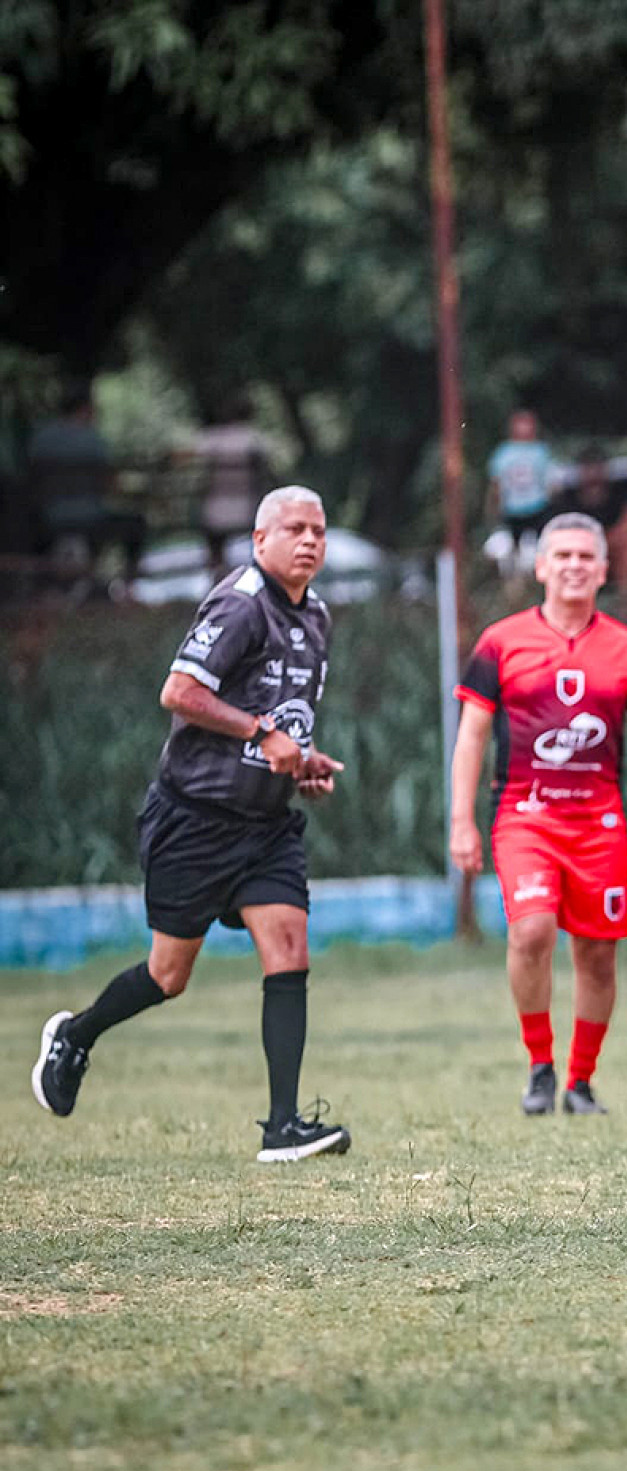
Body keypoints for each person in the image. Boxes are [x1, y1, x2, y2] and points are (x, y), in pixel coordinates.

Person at [30, 486, 353, 1162]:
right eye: (293, 528)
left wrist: (302, 763)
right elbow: (179, 693)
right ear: (259, 539)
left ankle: (283, 1128)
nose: (309, 541)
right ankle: (77, 1035)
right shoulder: (239, 603)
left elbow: (279, 720)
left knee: (289, 948)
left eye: (318, 531)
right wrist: (262, 733)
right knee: (168, 975)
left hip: (265, 825)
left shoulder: (317, 616)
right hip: (195, 820)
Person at [449, 512, 627, 1116]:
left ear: (604, 569)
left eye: (586, 557)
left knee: (596, 952)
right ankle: (539, 1065)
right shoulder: (500, 642)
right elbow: (473, 734)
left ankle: (580, 1082)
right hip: (524, 816)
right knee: (531, 929)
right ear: (540, 568)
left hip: (600, 824)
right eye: (561, 556)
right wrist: (460, 820)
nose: (574, 566)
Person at [27, 382, 143, 586]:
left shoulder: (40, 439)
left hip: (48, 518)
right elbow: (110, 483)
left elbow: (32, 478)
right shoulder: (94, 440)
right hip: (91, 518)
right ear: (85, 408)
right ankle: (128, 584)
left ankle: (43, 588)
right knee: (135, 524)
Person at [195, 396, 273, 568]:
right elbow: (266, 476)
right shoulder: (255, 441)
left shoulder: (212, 440)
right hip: (249, 509)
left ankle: (216, 568)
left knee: (213, 533)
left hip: (214, 511)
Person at [552, 445, 627, 593]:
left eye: (597, 467)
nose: (593, 473)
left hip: (610, 543)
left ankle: (626, 599)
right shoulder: (567, 498)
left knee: (626, 548)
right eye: (588, 468)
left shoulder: (619, 492)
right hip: (580, 544)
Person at [485, 409, 556, 576]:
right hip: (512, 514)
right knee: (506, 558)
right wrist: (494, 512)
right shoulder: (503, 453)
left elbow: (549, 483)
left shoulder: (541, 451)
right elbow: (496, 487)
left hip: (537, 512)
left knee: (533, 558)